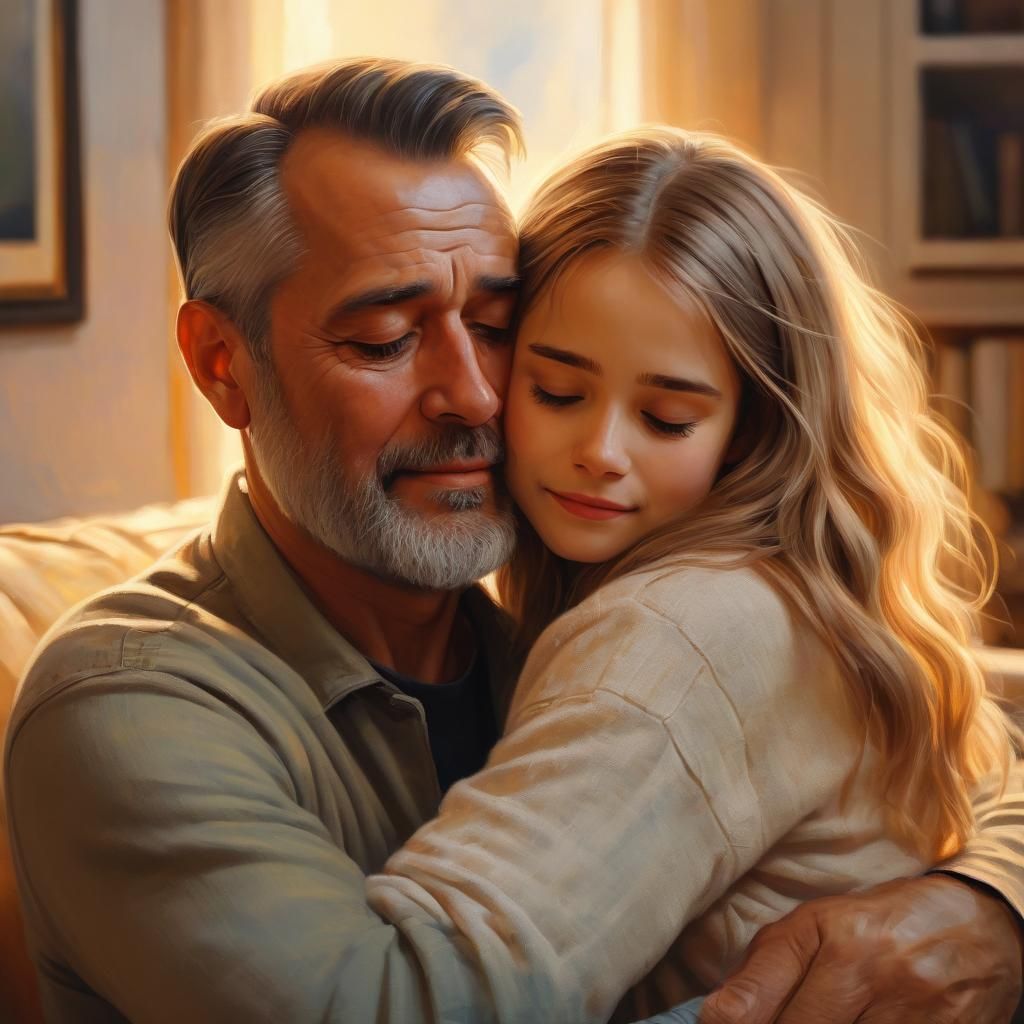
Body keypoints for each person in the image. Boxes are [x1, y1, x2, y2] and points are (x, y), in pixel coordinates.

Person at [3, 58, 1021, 1024]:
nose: (476, 394)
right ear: (223, 362)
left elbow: (963, 732)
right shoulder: (128, 703)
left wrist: (985, 902)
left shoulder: (551, 627)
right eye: (385, 339)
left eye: (496, 325)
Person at [362, 124, 1024, 1023]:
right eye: (557, 392)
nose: (599, 452)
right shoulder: (784, 592)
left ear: (753, 429)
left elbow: (423, 991)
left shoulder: (680, 631)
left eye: (667, 418)